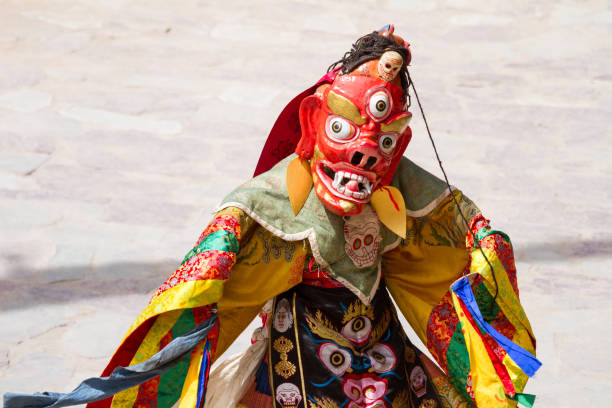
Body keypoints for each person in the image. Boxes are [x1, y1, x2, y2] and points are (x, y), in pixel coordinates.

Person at [4, 25, 540, 408]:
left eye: (384, 142)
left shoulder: (404, 191)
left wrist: (481, 240)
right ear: (314, 120)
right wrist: (225, 243)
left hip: (383, 355)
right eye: (343, 131)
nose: (363, 154)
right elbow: (213, 289)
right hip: (296, 360)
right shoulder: (270, 202)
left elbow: (450, 229)